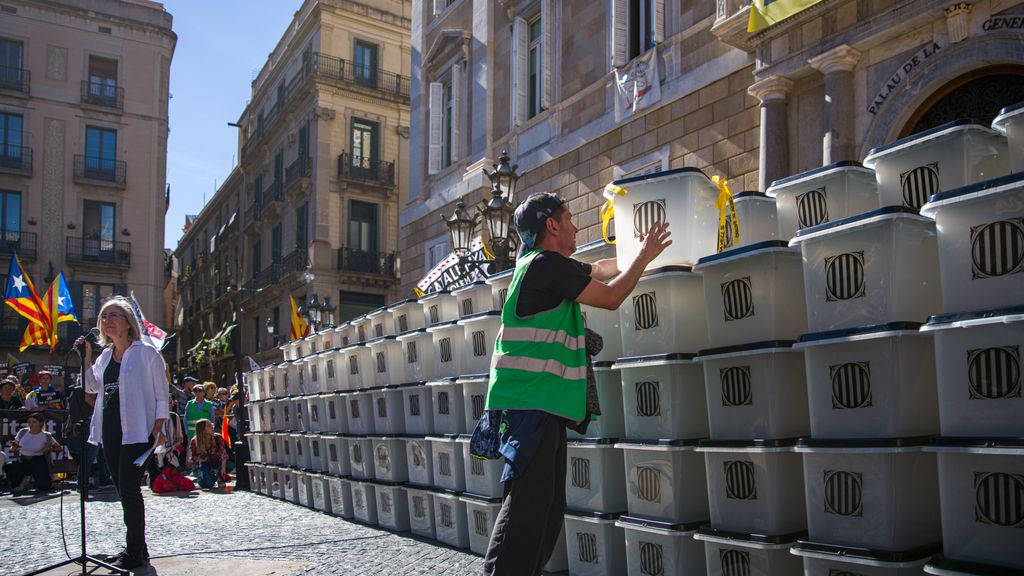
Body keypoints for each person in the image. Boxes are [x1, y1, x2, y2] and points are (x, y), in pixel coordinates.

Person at [480, 192, 671, 575]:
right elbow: (613, 295)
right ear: (551, 225)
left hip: (540, 405)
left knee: (547, 509)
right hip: (531, 405)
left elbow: (600, 268)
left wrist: (647, 254)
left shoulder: (542, 266)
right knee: (528, 509)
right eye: (569, 218)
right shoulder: (547, 266)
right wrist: (644, 258)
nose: (575, 225)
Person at [76, 296, 169, 570]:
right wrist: (87, 358)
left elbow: (161, 392)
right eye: (104, 317)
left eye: (114, 315)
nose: (108, 321)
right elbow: (92, 387)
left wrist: (158, 427)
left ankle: (134, 552)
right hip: (111, 431)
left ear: (128, 322)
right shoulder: (105, 356)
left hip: (138, 432)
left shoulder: (147, 353)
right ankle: (139, 548)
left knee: (129, 491)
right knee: (122, 490)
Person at [65, 381, 112, 493]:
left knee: (101, 453)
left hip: (95, 423)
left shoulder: (83, 389)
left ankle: (104, 479)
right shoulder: (81, 389)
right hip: (88, 425)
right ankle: (82, 483)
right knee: (89, 454)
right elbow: (89, 402)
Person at [3, 412, 62, 492]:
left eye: (34, 422)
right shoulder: (23, 431)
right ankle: (22, 480)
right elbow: (14, 447)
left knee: (44, 486)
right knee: (8, 466)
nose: (31, 424)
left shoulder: (46, 435)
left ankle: (34, 479)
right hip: (23, 459)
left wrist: (48, 449)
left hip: (38, 460)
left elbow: (58, 448)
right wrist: (14, 447)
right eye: (29, 422)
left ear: (40, 423)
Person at [186, 419, 229, 489]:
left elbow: (223, 454)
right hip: (204, 464)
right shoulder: (194, 441)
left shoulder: (218, 437)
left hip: (218, 462)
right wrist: (199, 458)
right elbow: (192, 459)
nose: (212, 427)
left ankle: (219, 476)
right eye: (209, 426)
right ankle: (205, 477)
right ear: (202, 429)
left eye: (212, 425)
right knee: (208, 484)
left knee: (229, 464)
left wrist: (223, 470)